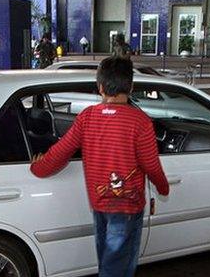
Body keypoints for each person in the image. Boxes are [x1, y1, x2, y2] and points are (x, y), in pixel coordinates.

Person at [30, 57, 170, 277]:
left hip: (99, 204)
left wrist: (38, 168)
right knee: (117, 266)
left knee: (108, 259)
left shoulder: (87, 117)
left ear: (100, 87)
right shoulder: (140, 121)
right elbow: (151, 165)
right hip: (127, 208)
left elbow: (61, 151)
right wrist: (163, 188)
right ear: (131, 87)